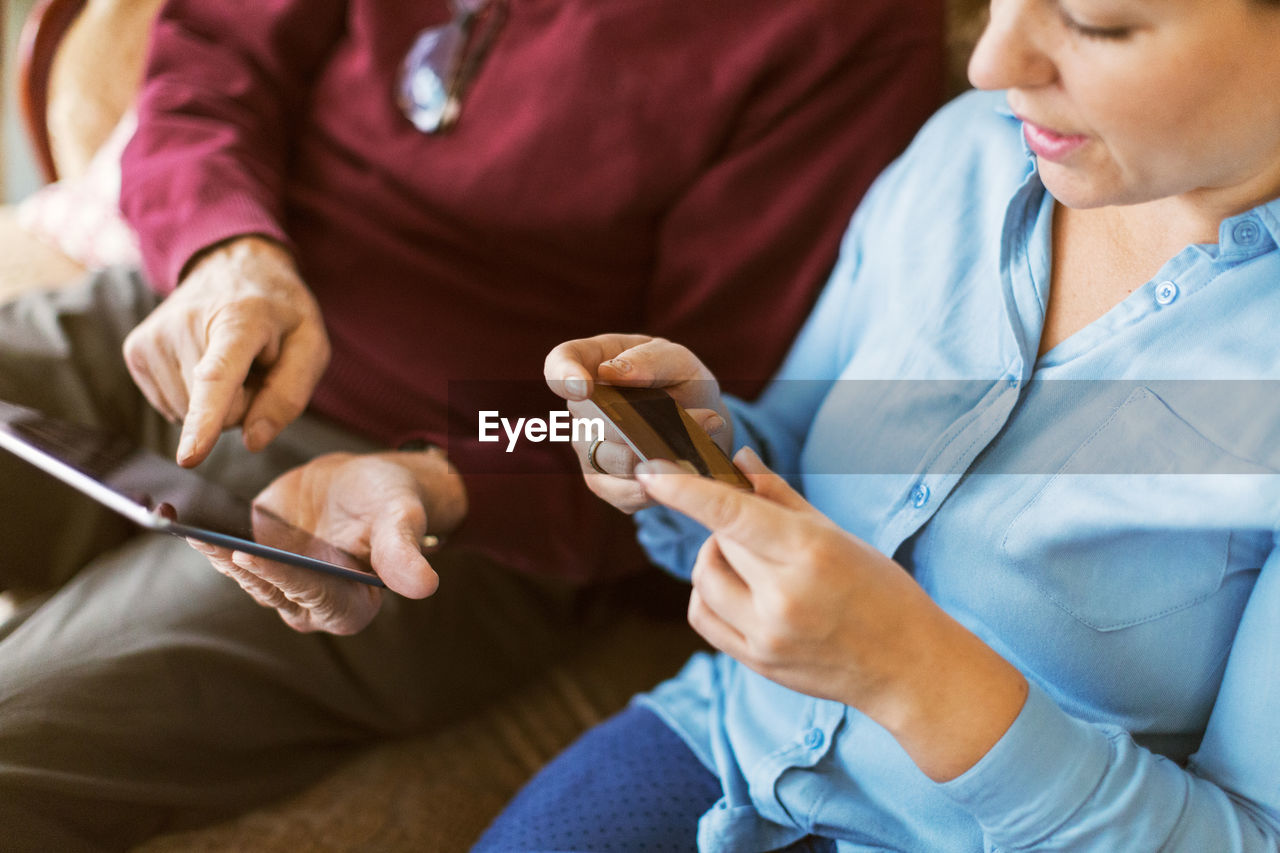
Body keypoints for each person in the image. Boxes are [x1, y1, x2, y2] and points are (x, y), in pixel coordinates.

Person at [0, 0, 945, 849]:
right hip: (197, 312)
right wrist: (223, 248)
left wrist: (437, 477)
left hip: (455, 492)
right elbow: (212, 45)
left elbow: (687, 424)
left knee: (19, 734)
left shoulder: (842, 31)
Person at [478, 0, 1280, 848]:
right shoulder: (965, 148)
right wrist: (692, 443)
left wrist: (909, 672)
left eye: (1094, 23)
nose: (989, 64)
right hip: (729, 746)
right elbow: (795, 447)